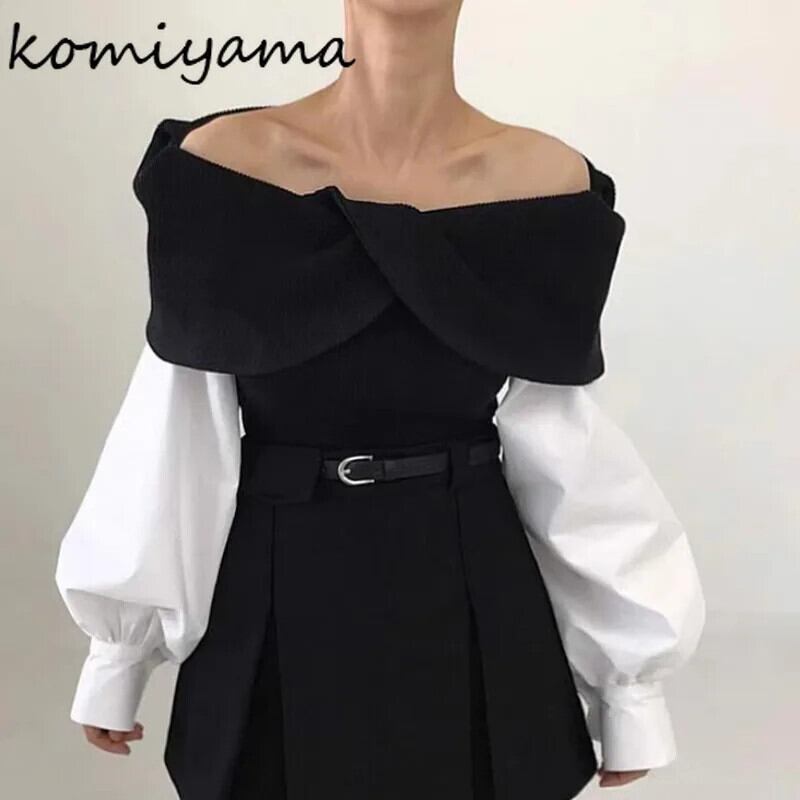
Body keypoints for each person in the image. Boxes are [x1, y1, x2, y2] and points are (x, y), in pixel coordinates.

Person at [54, 1, 706, 798]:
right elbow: (176, 421)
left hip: (476, 604)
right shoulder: (224, 169)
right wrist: (119, 652)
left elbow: (565, 446)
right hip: (274, 603)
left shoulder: (547, 186)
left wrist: (630, 688)